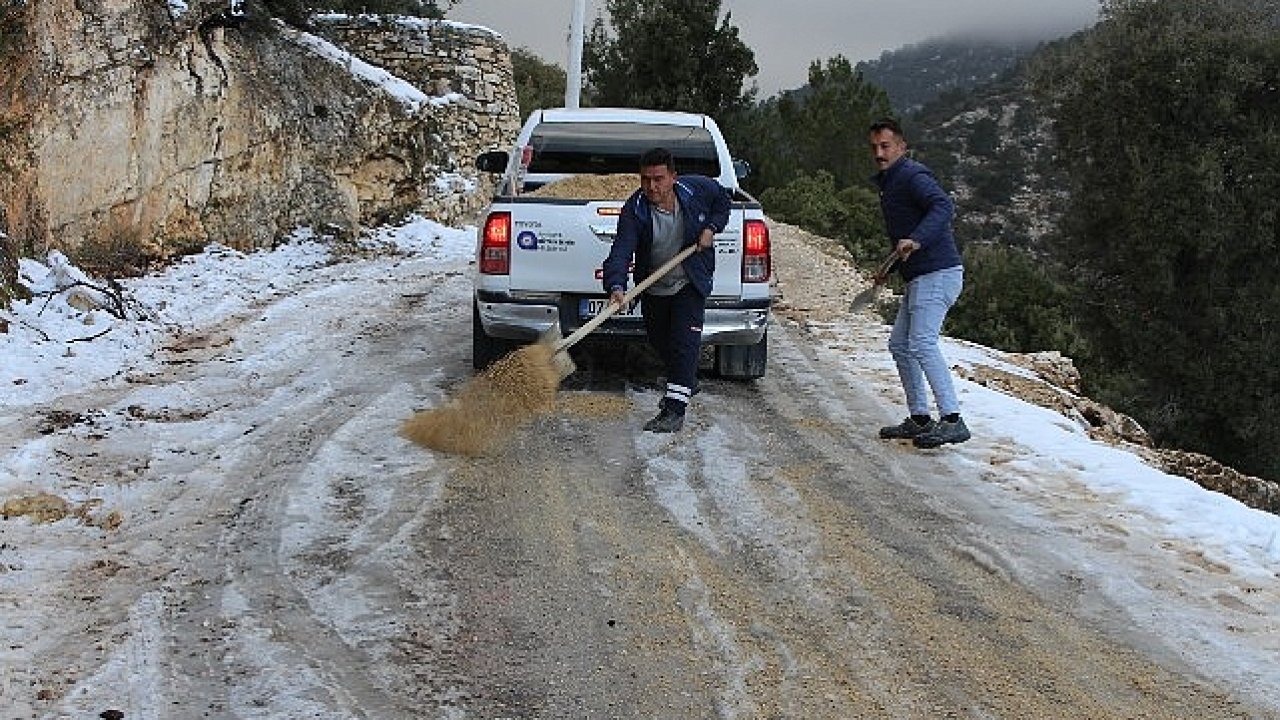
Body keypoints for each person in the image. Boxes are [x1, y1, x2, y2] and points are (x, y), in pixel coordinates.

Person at [602, 147, 730, 433]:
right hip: (654, 286)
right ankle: (685, 382)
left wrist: (711, 227)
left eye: (658, 179)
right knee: (662, 342)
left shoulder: (697, 190)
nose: (651, 186)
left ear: (673, 177)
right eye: (645, 179)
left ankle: (674, 410)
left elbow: (722, 202)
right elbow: (621, 251)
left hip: (690, 280)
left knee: (685, 343)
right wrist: (616, 286)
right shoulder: (634, 210)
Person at [868, 118, 970, 448]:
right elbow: (905, 240)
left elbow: (943, 206)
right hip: (920, 277)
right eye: (875, 148)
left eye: (886, 146)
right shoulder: (890, 182)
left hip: (938, 273)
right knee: (900, 345)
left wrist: (917, 239)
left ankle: (953, 420)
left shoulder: (912, 175)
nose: (880, 153)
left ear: (901, 147)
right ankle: (920, 418)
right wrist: (889, 267)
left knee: (923, 343)